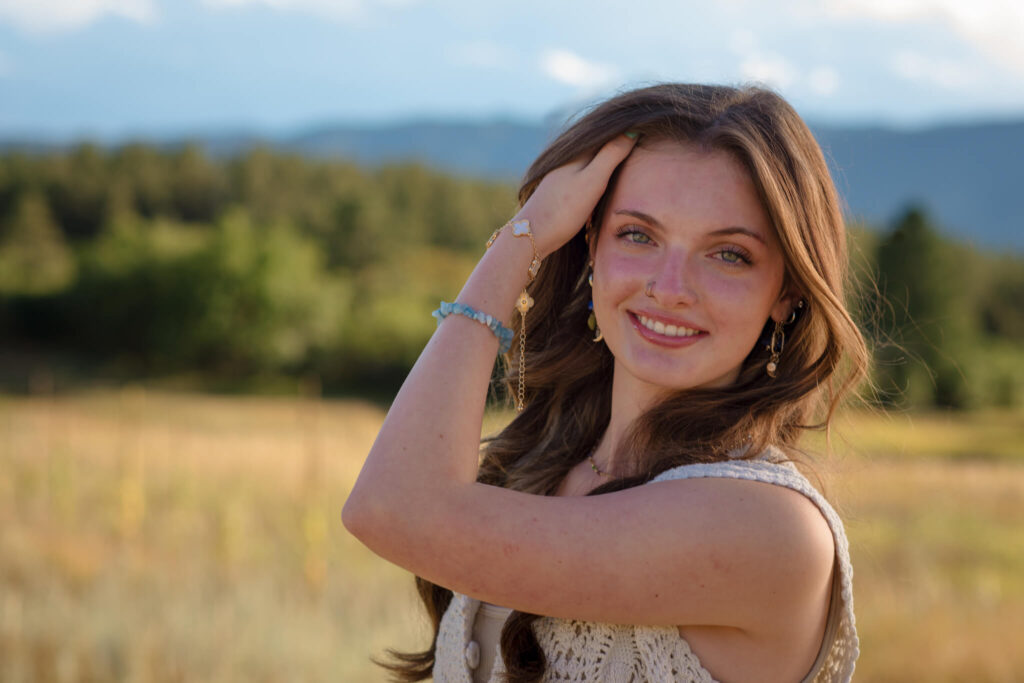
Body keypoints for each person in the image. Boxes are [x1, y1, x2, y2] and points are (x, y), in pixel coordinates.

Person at [342, 83, 868, 683]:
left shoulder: (769, 526)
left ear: (787, 293)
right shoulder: (544, 463)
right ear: (590, 245)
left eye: (728, 254)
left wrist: (523, 235)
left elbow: (390, 508)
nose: (670, 287)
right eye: (638, 235)